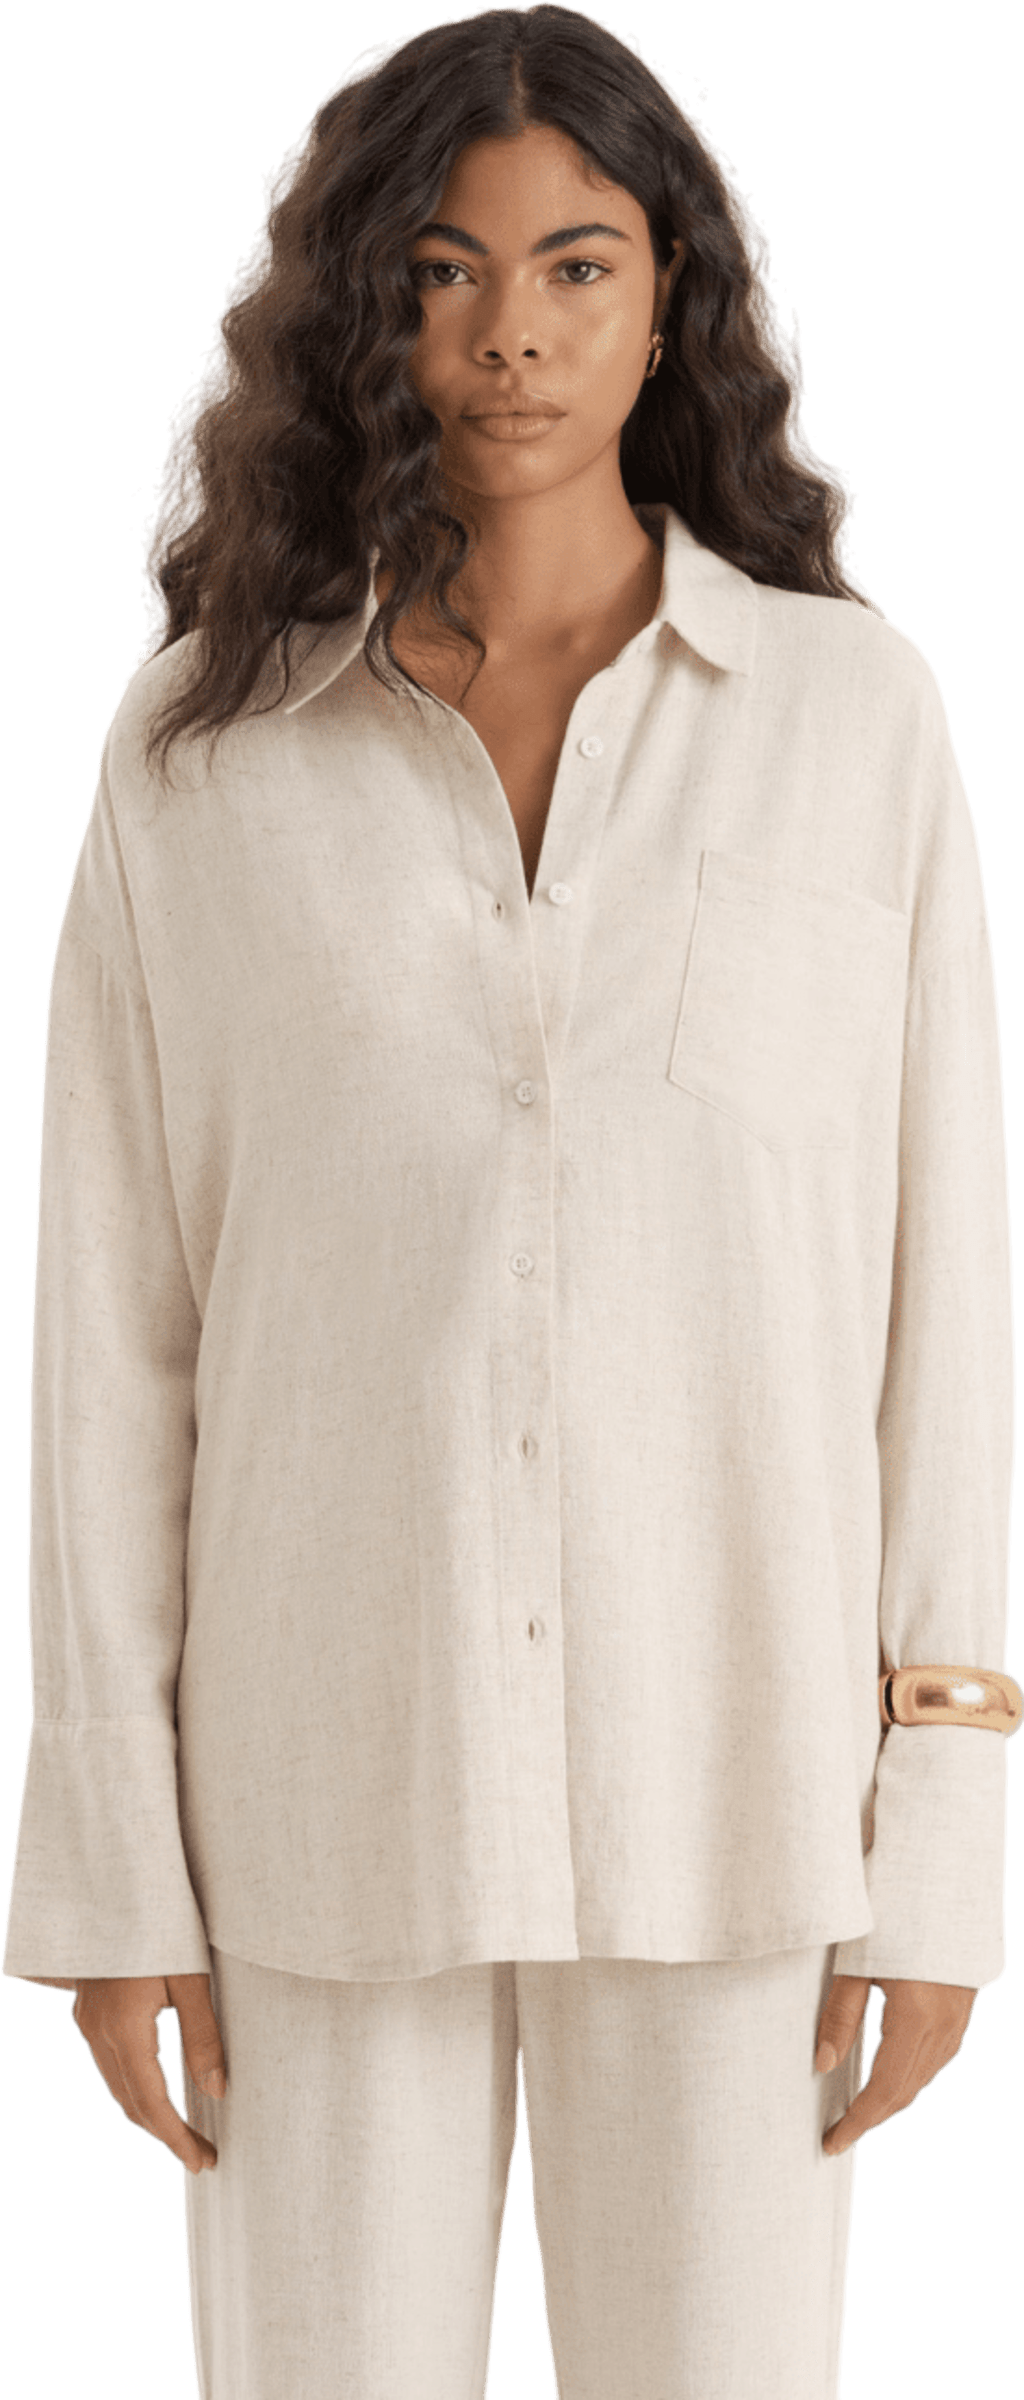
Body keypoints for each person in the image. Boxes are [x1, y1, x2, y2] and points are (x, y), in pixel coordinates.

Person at [2, 9, 1019, 2397]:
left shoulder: (853, 722)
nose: (512, 336)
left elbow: (939, 1302)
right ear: (366, 311)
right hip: (313, 1814)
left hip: (738, 1805)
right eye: (443, 273)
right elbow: (114, 1329)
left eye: (576, 266)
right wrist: (112, 1858)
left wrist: (939, 1831)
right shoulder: (197, 751)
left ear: (669, 305)